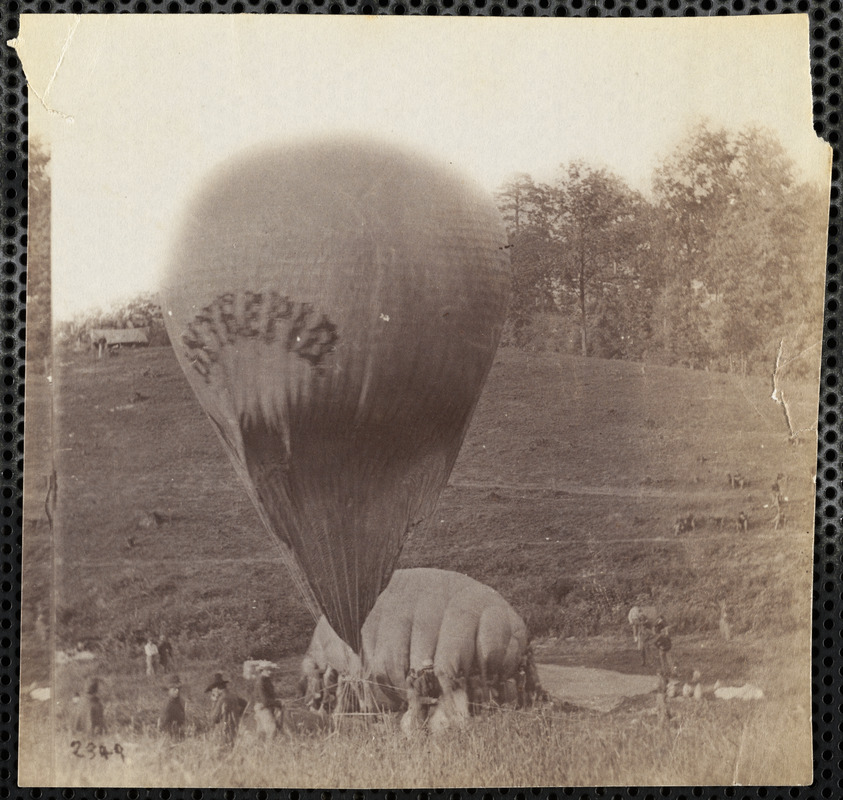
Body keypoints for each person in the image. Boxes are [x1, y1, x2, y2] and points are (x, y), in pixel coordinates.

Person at [205, 673, 247, 747]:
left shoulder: (221, 700)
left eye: (212, 690)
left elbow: (213, 718)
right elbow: (245, 705)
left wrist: (214, 702)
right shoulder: (233, 696)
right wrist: (237, 714)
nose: (212, 692)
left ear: (216, 688)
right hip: (234, 728)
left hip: (223, 730)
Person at [252, 665, 282, 739]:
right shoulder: (260, 683)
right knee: (272, 729)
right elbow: (265, 701)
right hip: (262, 708)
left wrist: (278, 701)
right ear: (262, 671)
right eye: (267, 670)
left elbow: (271, 697)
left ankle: (261, 748)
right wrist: (278, 703)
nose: (270, 672)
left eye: (270, 670)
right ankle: (270, 748)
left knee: (261, 733)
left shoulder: (266, 680)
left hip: (268, 707)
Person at [158, 674, 186, 739]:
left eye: (178, 689)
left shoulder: (181, 702)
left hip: (180, 733)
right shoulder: (167, 705)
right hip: (170, 736)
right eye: (174, 689)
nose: (177, 691)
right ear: (168, 690)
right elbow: (163, 726)